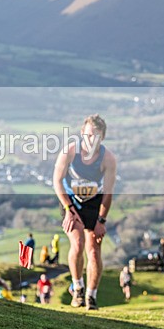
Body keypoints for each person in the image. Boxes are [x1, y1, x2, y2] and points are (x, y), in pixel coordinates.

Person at [53, 114, 117, 311]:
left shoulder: (108, 159)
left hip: (94, 204)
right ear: (82, 133)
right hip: (71, 203)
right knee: (78, 242)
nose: (91, 140)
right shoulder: (69, 152)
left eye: (96, 137)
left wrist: (101, 221)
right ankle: (78, 288)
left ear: (102, 138)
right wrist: (69, 210)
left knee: (93, 250)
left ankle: (91, 296)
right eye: (88, 136)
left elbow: (107, 194)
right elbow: (57, 182)